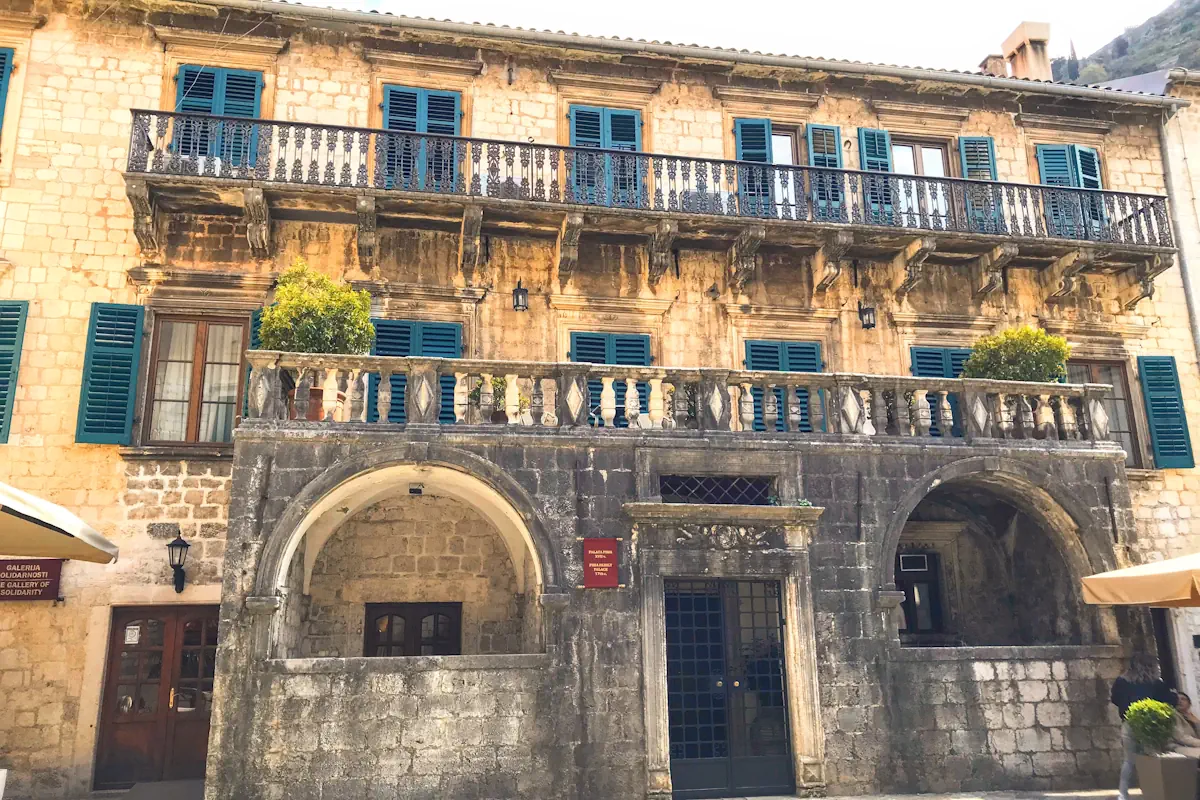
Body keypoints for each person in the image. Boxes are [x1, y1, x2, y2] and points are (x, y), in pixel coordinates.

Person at [1112, 653, 1177, 800]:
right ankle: (1153, 790)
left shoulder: (1121, 681)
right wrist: (1174, 695)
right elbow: (1168, 700)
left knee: (1129, 760)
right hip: (1151, 724)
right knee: (1151, 758)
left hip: (1129, 722)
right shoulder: (1156, 683)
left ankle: (1123, 793)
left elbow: (1115, 699)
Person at [1172, 692, 1200, 758]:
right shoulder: (1174, 715)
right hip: (1177, 747)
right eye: (1177, 699)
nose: (1179, 701)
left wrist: (1197, 723)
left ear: (1189, 704)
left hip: (1191, 747)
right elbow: (1181, 737)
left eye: (1183, 699)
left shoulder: (1191, 716)